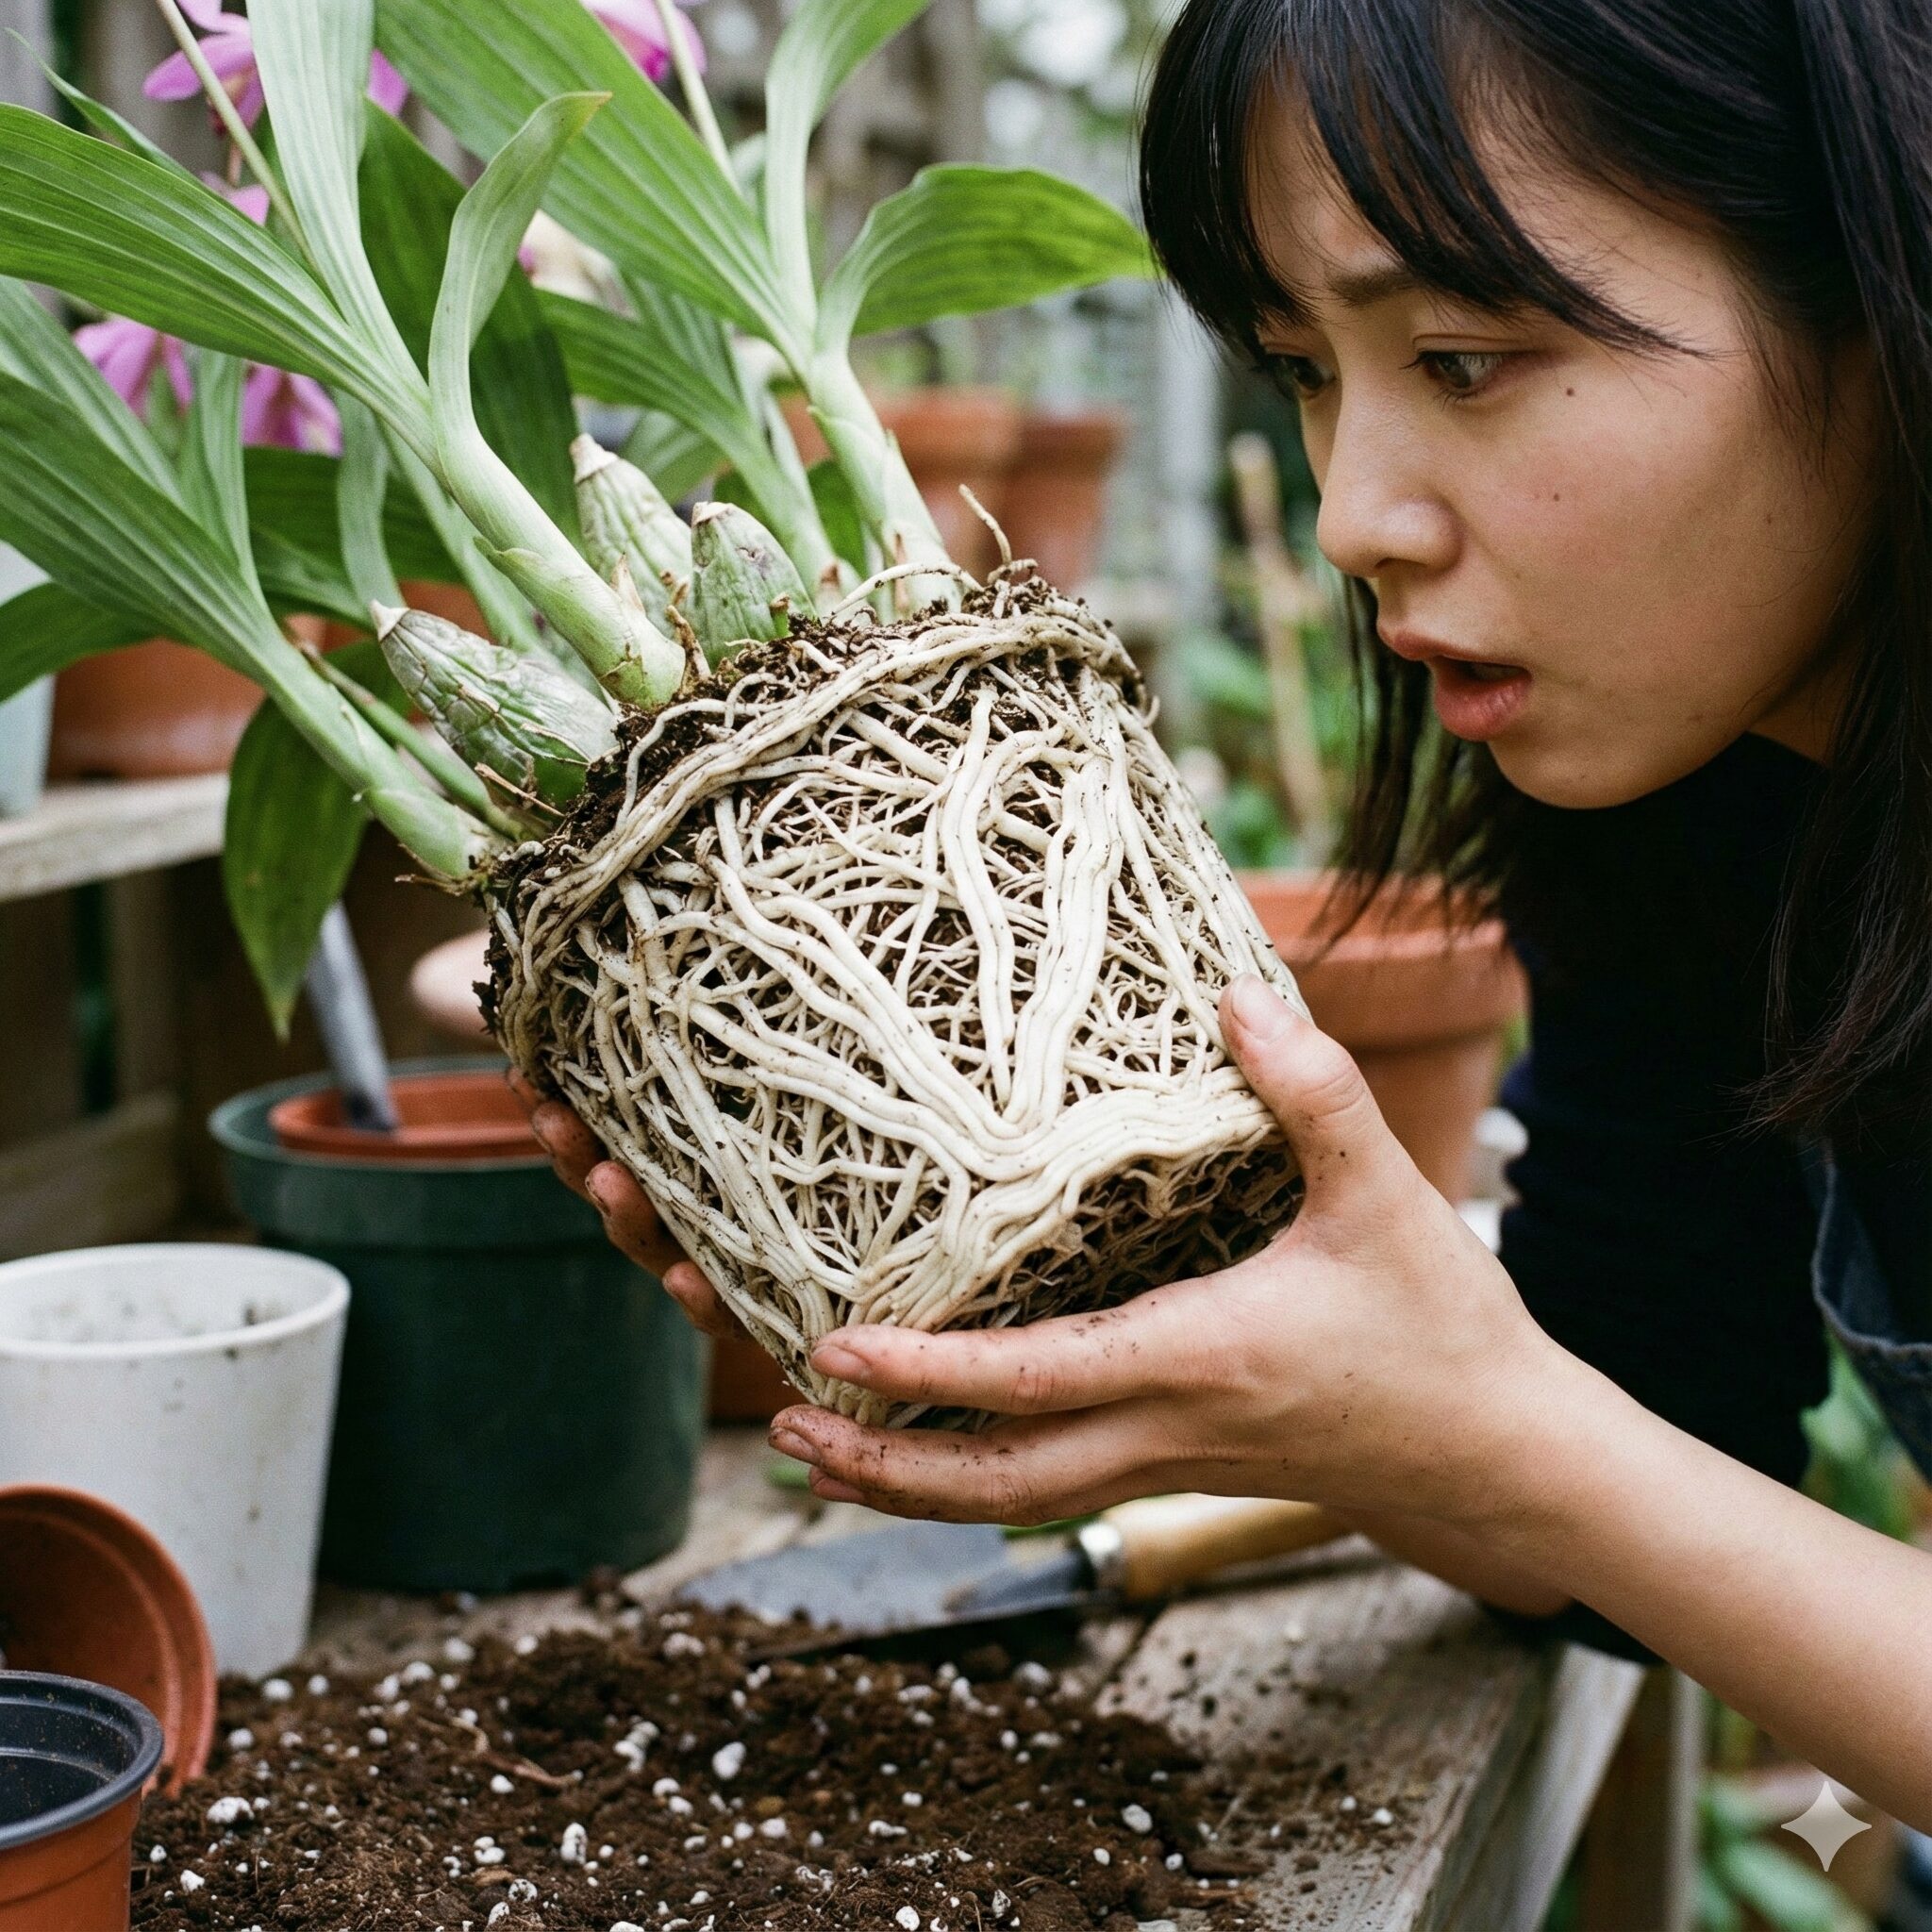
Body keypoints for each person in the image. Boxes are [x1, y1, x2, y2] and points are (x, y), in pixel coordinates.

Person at [522, 0, 1932, 1823]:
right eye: (1306, 368)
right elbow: (1627, 1494)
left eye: (1463, 355)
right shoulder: (1712, 806)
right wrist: (1171, 1313)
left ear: (1876, 266)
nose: (1352, 515)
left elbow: (1573, 1464)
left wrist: (1503, 1427)